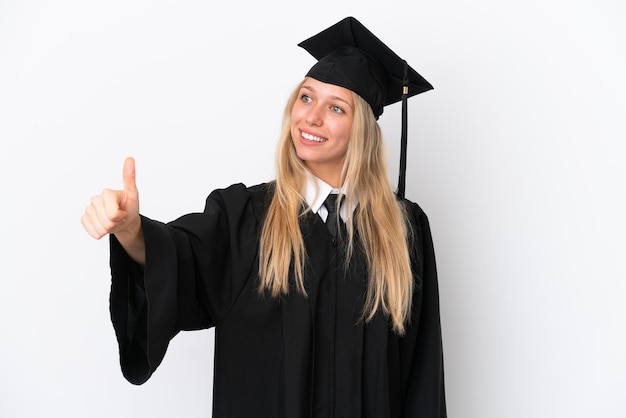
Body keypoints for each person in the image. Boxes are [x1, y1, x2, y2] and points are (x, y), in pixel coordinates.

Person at [81, 16, 446, 418]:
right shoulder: (247, 217)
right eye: (306, 98)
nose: (311, 117)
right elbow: (180, 258)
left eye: (335, 107)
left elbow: (422, 374)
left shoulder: (403, 230)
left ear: (363, 129)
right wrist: (132, 230)